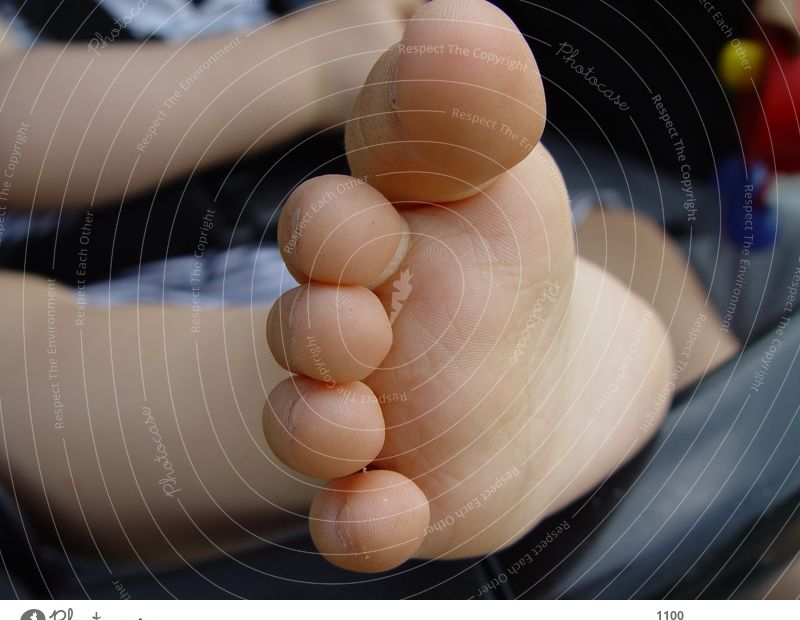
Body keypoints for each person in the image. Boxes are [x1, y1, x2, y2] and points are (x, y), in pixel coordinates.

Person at [0, 0, 737, 573]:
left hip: (348, 237)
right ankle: (387, 397)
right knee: (26, 351)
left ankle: (682, 420)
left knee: (617, 232)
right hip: (100, 277)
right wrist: (309, 62)